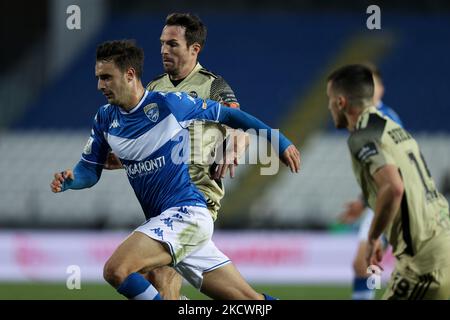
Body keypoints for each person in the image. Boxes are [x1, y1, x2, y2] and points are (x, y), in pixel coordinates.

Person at [50, 40, 300, 300]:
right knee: (250, 302)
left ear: (130, 74)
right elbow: (89, 171)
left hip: (186, 214)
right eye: (98, 78)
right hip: (168, 223)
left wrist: (279, 142)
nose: (100, 86)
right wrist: (72, 180)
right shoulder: (104, 118)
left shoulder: (170, 105)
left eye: (106, 78)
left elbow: (229, 115)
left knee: (117, 270)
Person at [103, 13, 247, 300]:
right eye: (161, 43)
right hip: (163, 200)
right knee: (238, 297)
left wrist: (234, 145)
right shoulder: (154, 89)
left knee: (145, 273)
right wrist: (120, 158)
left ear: (194, 49)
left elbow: (238, 122)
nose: (163, 50)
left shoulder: (212, 85)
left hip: (195, 196)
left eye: (172, 44)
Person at [327, 64, 450, 300]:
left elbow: (393, 187)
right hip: (440, 241)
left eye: (330, 100)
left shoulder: (362, 136)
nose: (329, 107)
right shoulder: (393, 127)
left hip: (425, 262)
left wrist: (374, 237)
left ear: (341, 102)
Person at [338, 64, 403, 300]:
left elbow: (394, 171)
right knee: (364, 264)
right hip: (380, 199)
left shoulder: (382, 120)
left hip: (393, 202)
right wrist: (362, 201)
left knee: (367, 262)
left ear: (381, 89)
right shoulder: (364, 120)